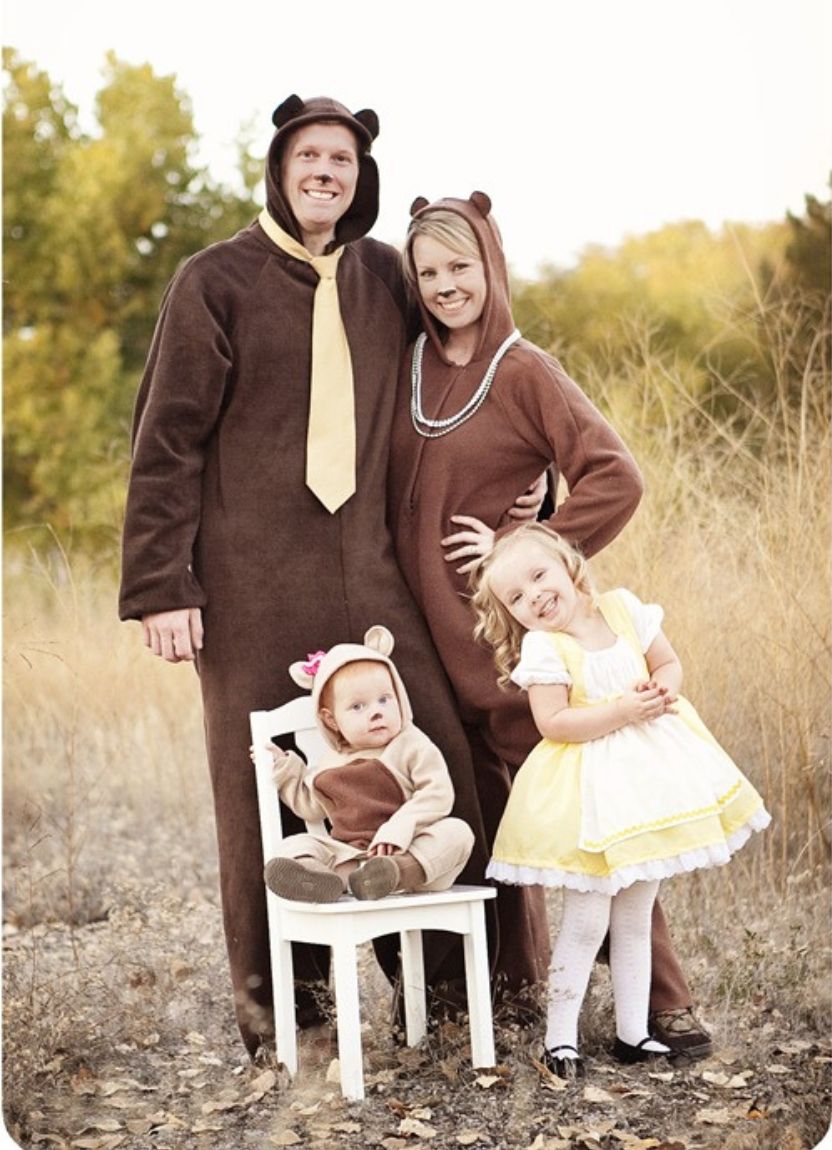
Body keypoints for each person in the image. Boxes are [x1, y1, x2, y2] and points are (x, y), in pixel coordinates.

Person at [119, 97, 532, 1057]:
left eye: (342, 159)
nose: (326, 172)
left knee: (438, 760)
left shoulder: (386, 277)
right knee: (264, 786)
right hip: (250, 576)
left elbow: (460, 370)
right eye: (309, 155)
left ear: (361, 176)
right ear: (278, 167)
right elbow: (165, 440)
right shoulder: (211, 281)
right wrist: (159, 586)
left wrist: (525, 477)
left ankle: (452, 994)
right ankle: (288, 1017)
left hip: (374, 572)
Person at [387, 191, 714, 1056]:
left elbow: (615, 475)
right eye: (429, 271)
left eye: (461, 266)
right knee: (503, 827)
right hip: (430, 644)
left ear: (491, 265)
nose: (447, 285)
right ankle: (521, 991)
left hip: (524, 652)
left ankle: (667, 1003)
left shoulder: (524, 368)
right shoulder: (409, 363)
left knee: (593, 823)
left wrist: (527, 543)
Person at [470, 522, 770, 1075]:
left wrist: (665, 689)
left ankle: (633, 1033)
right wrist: (621, 712)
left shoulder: (624, 609)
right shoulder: (545, 646)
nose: (533, 595)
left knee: (634, 915)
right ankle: (558, 1040)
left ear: (568, 565)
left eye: (539, 575)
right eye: (516, 597)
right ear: (511, 613)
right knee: (587, 921)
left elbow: (667, 663)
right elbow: (554, 722)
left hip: (647, 782)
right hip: (592, 794)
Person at [253, 626, 474, 903]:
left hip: (412, 853)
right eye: (358, 707)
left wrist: (400, 828)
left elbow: (438, 794)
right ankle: (320, 879)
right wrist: (286, 767)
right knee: (292, 846)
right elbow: (310, 807)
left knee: (457, 833)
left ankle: (394, 873)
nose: (376, 712)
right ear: (331, 720)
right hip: (351, 858)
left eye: (384, 699)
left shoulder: (410, 744)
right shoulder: (329, 763)